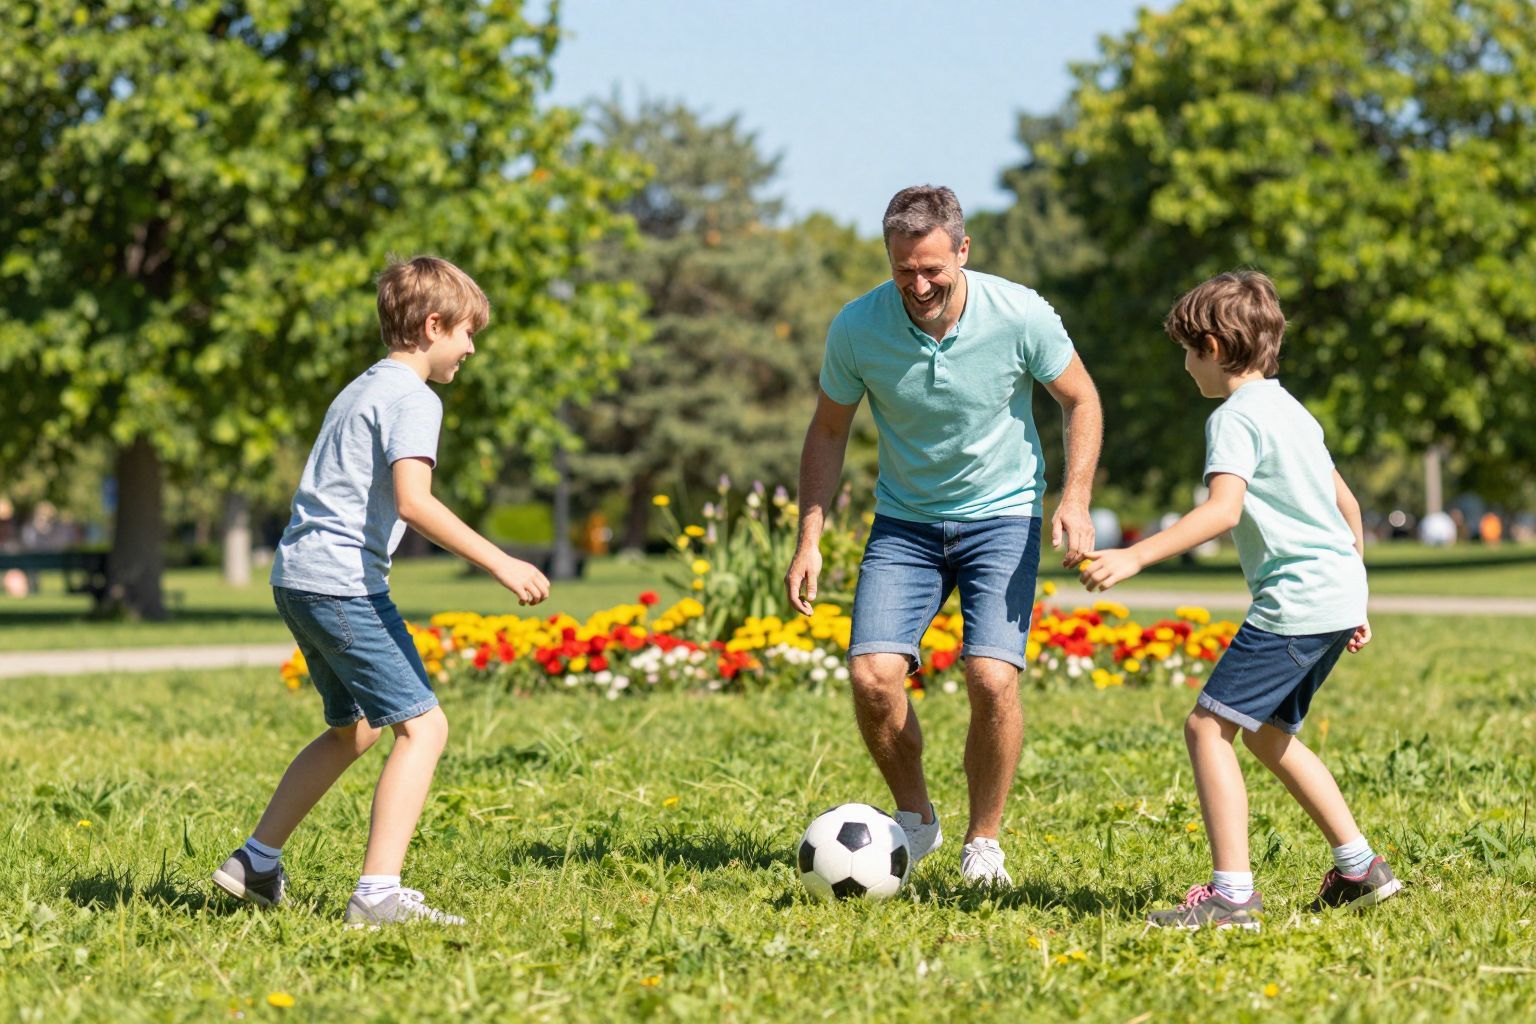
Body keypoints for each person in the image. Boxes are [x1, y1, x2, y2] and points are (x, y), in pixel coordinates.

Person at [212, 256, 551, 927]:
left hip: (299, 577)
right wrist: (501, 561)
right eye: (466, 333)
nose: (472, 347)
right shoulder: (414, 399)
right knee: (424, 729)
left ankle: (255, 861)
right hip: (343, 586)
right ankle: (377, 895)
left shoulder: (359, 389)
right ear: (433, 326)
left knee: (356, 728)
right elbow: (415, 504)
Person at [785, 185, 1102, 886]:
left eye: (933, 269)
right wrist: (809, 537)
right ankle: (917, 820)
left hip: (1004, 515)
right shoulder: (857, 327)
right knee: (872, 678)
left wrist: (1075, 499)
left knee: (991, 677)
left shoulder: (1020, 313)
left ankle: (983, 840)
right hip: (906, 522)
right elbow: (829, 429)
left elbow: (1081, 399)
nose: (919, 285)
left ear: (963, 250)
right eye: (905, 271)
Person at [1079, 271, 1400, 930]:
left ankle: (1232, 897)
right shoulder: (1292, 411)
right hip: (1334, 594)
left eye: (1188, 352)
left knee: (1207, 727)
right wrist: (1355, 593)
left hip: (1295, 602)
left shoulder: (1233, 419)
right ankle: (1360, 868)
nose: (1186, 366)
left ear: (1216, 347)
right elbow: (1348, 503)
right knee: (1269, 732)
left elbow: (1223, 511)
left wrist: (1136, 554)